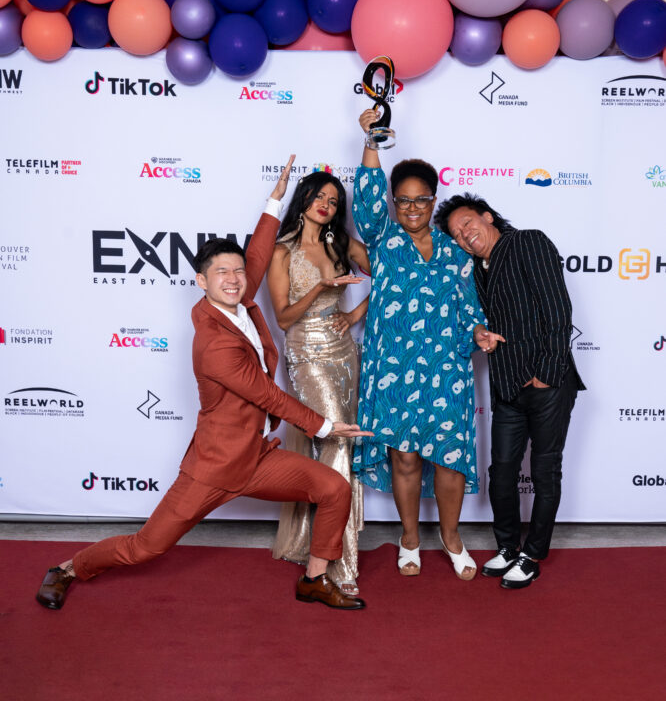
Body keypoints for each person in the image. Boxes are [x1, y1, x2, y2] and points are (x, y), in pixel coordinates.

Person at [35, 158, 372, 612]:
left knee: (333, 488)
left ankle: (314, 579)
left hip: (255, 457)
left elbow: (257, 255)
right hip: (214, 467)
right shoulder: (214, 342)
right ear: (201, 281)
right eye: (222, 274)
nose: (234, 280)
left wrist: (274, 201)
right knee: (145, 547)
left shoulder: (239, 298)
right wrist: (326, 426)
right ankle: (68, 568)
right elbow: (266, 394)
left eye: (237, 273)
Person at [353, 110, 501, 581]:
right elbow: (366, 197)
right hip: (392, 367)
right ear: (393, 203)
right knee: (405, 456)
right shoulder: (382, 239)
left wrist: (478, 333)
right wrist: (371, 142)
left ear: (433, 200)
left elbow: (470, 307)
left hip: (446, 366)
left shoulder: (456, 250)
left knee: (450, 458)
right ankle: (410, 539)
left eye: (421, 200)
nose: (412, 208)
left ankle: (452, 539)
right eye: (403, 200)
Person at [435, 193, 585, 589]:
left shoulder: (527, 241)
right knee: (501, 470)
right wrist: (480, 333)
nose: (464, 235)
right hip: (506, 385)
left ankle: (532, 555)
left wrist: (545, 374)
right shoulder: (476, 269)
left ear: (487, 217)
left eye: (467, 224)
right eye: (456, 234)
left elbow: (558, 310)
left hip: (547, 382)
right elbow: (482, 318)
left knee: (544, 471)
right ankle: (507, 547)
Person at [269, 170, 370, 597]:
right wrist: (321, 288)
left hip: (345, 353)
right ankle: (336, 562)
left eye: (334, 200)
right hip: (307, 353)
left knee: (341, 445)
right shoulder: (282, 251)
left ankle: (321, 546)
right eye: (320, 196)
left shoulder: (341, 243)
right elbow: (283, 318)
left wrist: (354, 314)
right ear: (304, 198)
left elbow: (395, 278)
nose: (326, 204)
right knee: (335, 442)